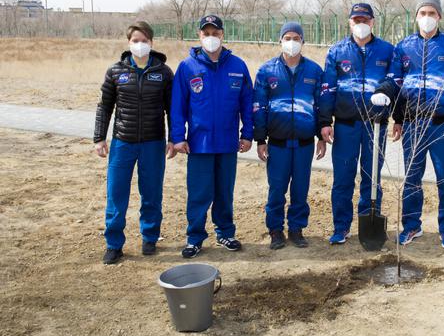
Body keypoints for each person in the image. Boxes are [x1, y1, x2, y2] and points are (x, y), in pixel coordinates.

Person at [374, 0, 444, 249]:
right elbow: (396, 81)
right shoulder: (403, 47)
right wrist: (392, 107)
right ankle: (411, 226)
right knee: (412, 178)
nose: (427, 17)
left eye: (432, 13)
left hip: (443, 125)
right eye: (423, 13)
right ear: (416, 17)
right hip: (413, 125)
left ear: (439, 16)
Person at [171, 14, 253, 258]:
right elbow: (178, 106)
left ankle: (226, 233)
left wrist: (247, 134)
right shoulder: (187, 67)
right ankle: (195, 237)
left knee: (224, 191)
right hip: (199, 144)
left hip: (228, 143)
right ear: (199, 36)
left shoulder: (237, 66)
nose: (211, 38)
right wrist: (178, 137)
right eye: (206, 34)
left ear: (222, 35)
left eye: (215, 33)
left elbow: (247, 104)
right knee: (199, 193)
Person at [94, 21, 175, 264]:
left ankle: (150, 237)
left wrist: (174, 139)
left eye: (144, 40)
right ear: (128, 43)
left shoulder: (163, 72)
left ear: (151, 42)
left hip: (153, 142)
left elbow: (172, 109)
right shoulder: (115, 71)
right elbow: (104, 106)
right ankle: (114, 244)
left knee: (151, 193)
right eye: (135, 41)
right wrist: (99, 138)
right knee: (116, 194)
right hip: (123, 142)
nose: (140, 45)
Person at [318, 3, 396, 245]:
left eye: (365, 19)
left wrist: (385, 92)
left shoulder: (387, 50)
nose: (361, 24)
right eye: (356, 20)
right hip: (346, 125)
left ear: (372, 22)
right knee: (343, 177)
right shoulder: (337, 51)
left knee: (372, 178)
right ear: (350, 22)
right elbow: (328, 89)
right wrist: (325, 121)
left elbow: (394, 80)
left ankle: (367, 224)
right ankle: (341, 227)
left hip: (375, 125)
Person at [253, 22, 326, 249]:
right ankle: (275, 230)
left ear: (303, 41)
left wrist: (321, 136)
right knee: (277, 188)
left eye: (296, 38)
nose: (292, 42)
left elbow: (321, 106)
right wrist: (260, 139)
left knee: (300, 188)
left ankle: (296, 228)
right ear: (280, 41)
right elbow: (259, 107)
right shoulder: (267, 71)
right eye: (287, 38)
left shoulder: (314, 71)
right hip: (277, 143)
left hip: (304, 143)